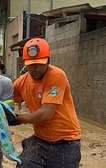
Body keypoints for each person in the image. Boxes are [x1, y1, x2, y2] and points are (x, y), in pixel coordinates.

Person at [13, 38, 81, 168]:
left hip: (66, 141)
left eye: (39, 64)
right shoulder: (21, 82)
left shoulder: (56, 75)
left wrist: (18, 119)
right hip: (41, 139)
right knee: (24, 164)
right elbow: (6, 100)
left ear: (48, 61)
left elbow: (46, 114)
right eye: (31, 65)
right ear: (25, 63)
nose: (35, 69)